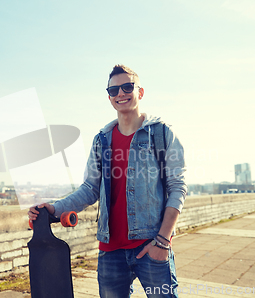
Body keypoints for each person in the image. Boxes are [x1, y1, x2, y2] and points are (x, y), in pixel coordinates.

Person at [28, 64, 187, 298]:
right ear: (109, 97)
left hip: (151, 245)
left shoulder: (161, 134)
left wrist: (162, 242)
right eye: (114, 90)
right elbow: (90, 189)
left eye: (127, 87)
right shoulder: (102, 140)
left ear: (140, 92)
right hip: (110, 253)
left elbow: (177, 188)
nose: (120, 94)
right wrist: (54, 208)